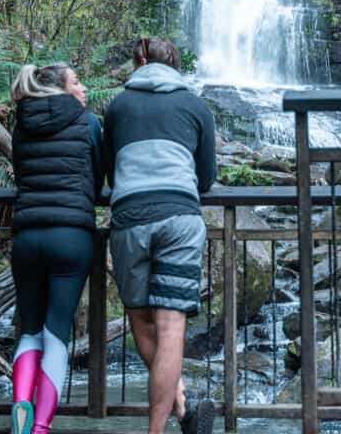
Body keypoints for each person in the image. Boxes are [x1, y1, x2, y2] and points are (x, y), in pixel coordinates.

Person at [104, 36, 217, 434]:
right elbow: (207, 177)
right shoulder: (195, 105)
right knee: (171, 328)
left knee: (139, 319)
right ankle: (169, 420)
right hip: (180, 218)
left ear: (138, 61)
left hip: (130, 216)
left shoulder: (117, 106)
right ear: (177, 64)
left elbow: (107, 170)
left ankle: (178, 411)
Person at [9, 63, 103, 434]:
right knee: (56, 334)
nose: (84, 88)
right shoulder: (88, 122)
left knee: (29, 331)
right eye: (77, 82)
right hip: (71, 236)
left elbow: (20, 172)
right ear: (61, 90)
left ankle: (20, 411)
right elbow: (98, 178)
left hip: (27, 237)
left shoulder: (22, 124)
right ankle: (41, 427)